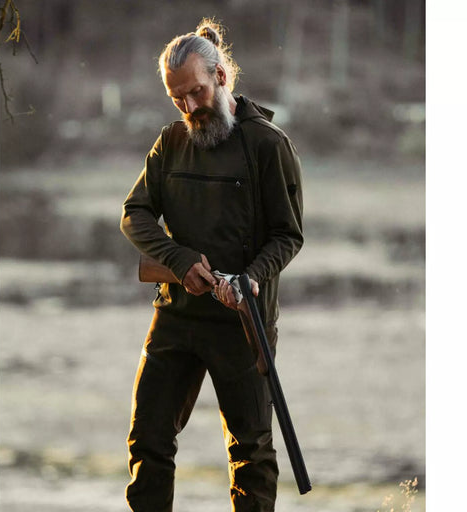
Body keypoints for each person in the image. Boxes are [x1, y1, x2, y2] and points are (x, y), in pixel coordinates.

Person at [120, 18, 304, 512]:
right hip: (176, 316)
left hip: (243, 322)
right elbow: (134, 214)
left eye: (196, 92)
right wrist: (178, 260)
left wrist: (249, 279)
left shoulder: (268, 145)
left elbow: (288, 236)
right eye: (176, 98)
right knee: (147, 439)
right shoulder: (170, 143)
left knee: (251, 452)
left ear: (221, 77)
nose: (188, 107)